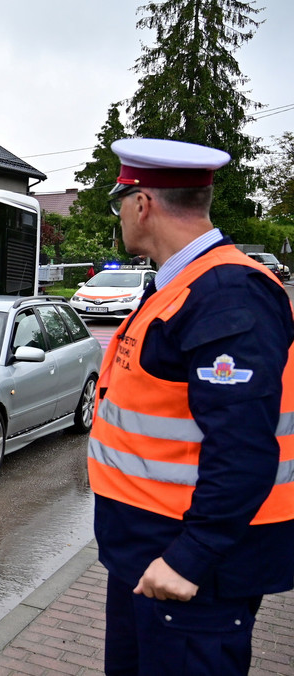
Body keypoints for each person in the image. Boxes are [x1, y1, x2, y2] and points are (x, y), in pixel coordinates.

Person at [87, 137, 294, 675]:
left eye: (119, 204)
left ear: (143, 204)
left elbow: (244, 448)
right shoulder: (182, 284)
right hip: (149, 558)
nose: (121, 217)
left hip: (189, 576)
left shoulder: (227, 294)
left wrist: (189, 557)